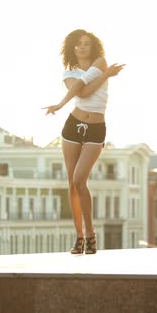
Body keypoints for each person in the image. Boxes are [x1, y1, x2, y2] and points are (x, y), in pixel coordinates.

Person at [43, 29, 125, 254]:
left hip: (96, 128)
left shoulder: (100, 62)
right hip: (73, 126)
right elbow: (83, 91)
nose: (81, 47)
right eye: (78, 44)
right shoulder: (68, 73)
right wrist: (106, 76)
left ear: (93, 46)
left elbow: (86, 89)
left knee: (80, 180)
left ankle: (91, 233)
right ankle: (80, 237)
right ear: (71, 47)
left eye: (86, 43)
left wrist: (104, 73)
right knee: (72, 183)